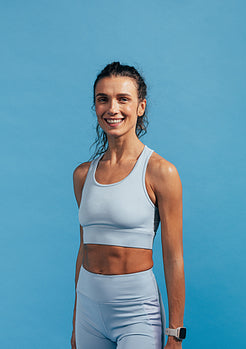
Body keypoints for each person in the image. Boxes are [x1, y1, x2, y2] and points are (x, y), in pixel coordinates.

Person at [71, 62, 185, 349]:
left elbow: (173, 258)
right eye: (103, 99)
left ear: (141, 106)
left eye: (123, 99)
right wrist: (75, 321)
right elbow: (83, 248)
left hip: (136, 312)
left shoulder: (160, 172)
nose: (113, 108)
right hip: (88, 310)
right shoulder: (83, 175)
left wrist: (175, 333)